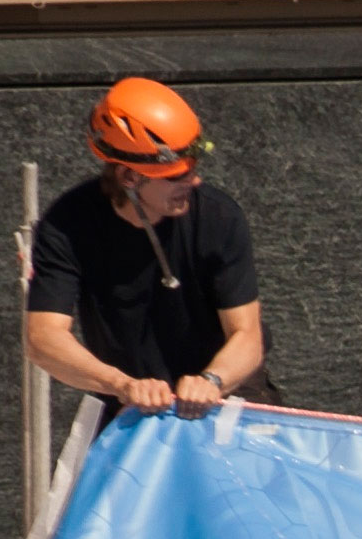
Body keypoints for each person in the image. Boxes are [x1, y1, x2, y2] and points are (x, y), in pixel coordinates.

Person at [22, 79, 267, 427]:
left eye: (194, 169)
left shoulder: (219, 217)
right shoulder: (68, 225)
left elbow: (247, 335)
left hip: (223, 396)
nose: (193, 183)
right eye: (177, 175)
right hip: (131, 402)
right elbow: (44, 339)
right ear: (129, 176)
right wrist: (121, 385)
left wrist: (212, 380)